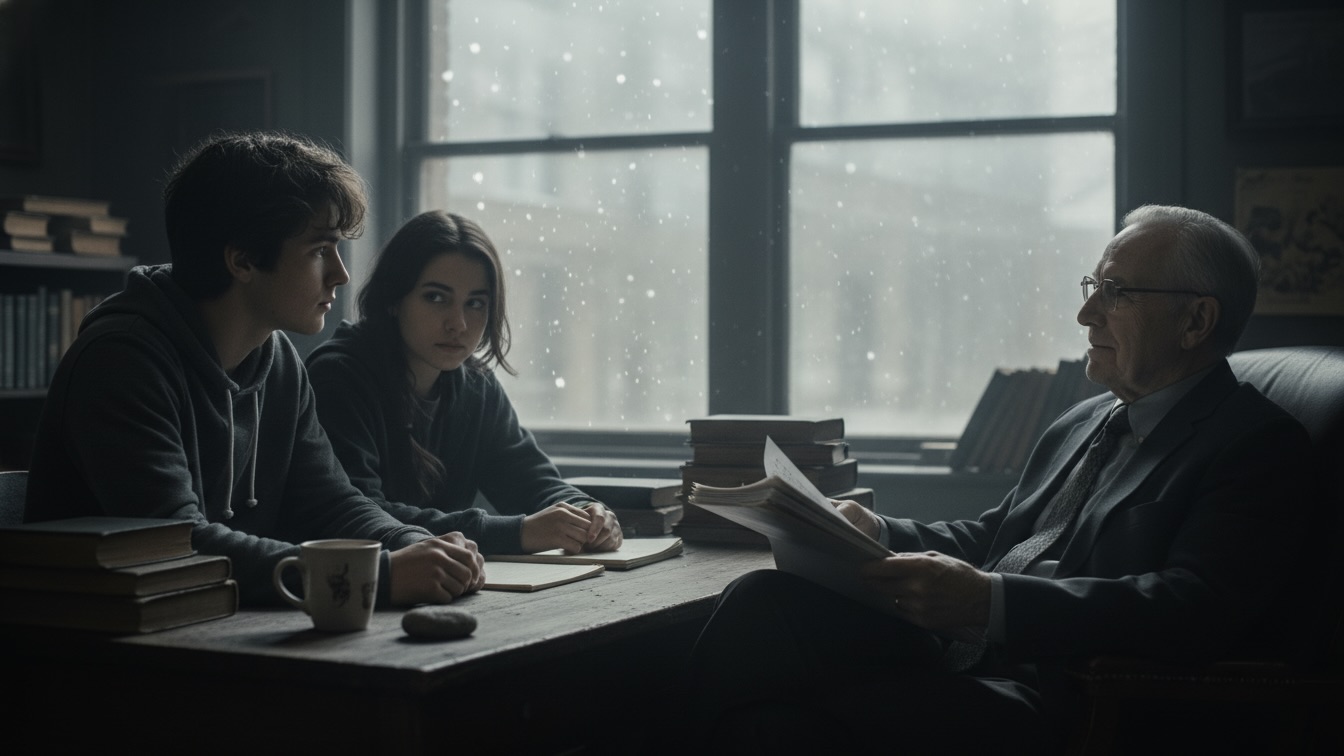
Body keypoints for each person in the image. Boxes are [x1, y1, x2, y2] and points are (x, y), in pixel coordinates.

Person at [681, 205, 1316, 753]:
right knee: (763, 606)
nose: (1086, 312)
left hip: (1069, 695)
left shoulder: (1256, 444)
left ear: (1196, 321)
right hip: (964, 656)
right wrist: (876, 529)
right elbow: (1000, 536)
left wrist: (992, 604)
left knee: (776, 726)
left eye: (1117, 292)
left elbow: (1192, 608)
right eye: (1094, 283)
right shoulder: (1087, 418)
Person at [24, 132, 485, 607]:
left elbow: (331, 503)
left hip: (212, 629)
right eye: (319, 250)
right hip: (93, 652)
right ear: (242, 259)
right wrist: (380, 577)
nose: (341, 274)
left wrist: (411, 543)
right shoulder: (121, 361)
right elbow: (176, 543)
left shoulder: (278, 359)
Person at [305, 210, 622, 556]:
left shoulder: (475, 386)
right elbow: (359, 516)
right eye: (436, 298)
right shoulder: (339, 377)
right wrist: (517, 532)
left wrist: (588, 513)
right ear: (394, 299)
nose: (458, 323)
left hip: (447, 584)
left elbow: (530, 479)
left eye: (475, 304)